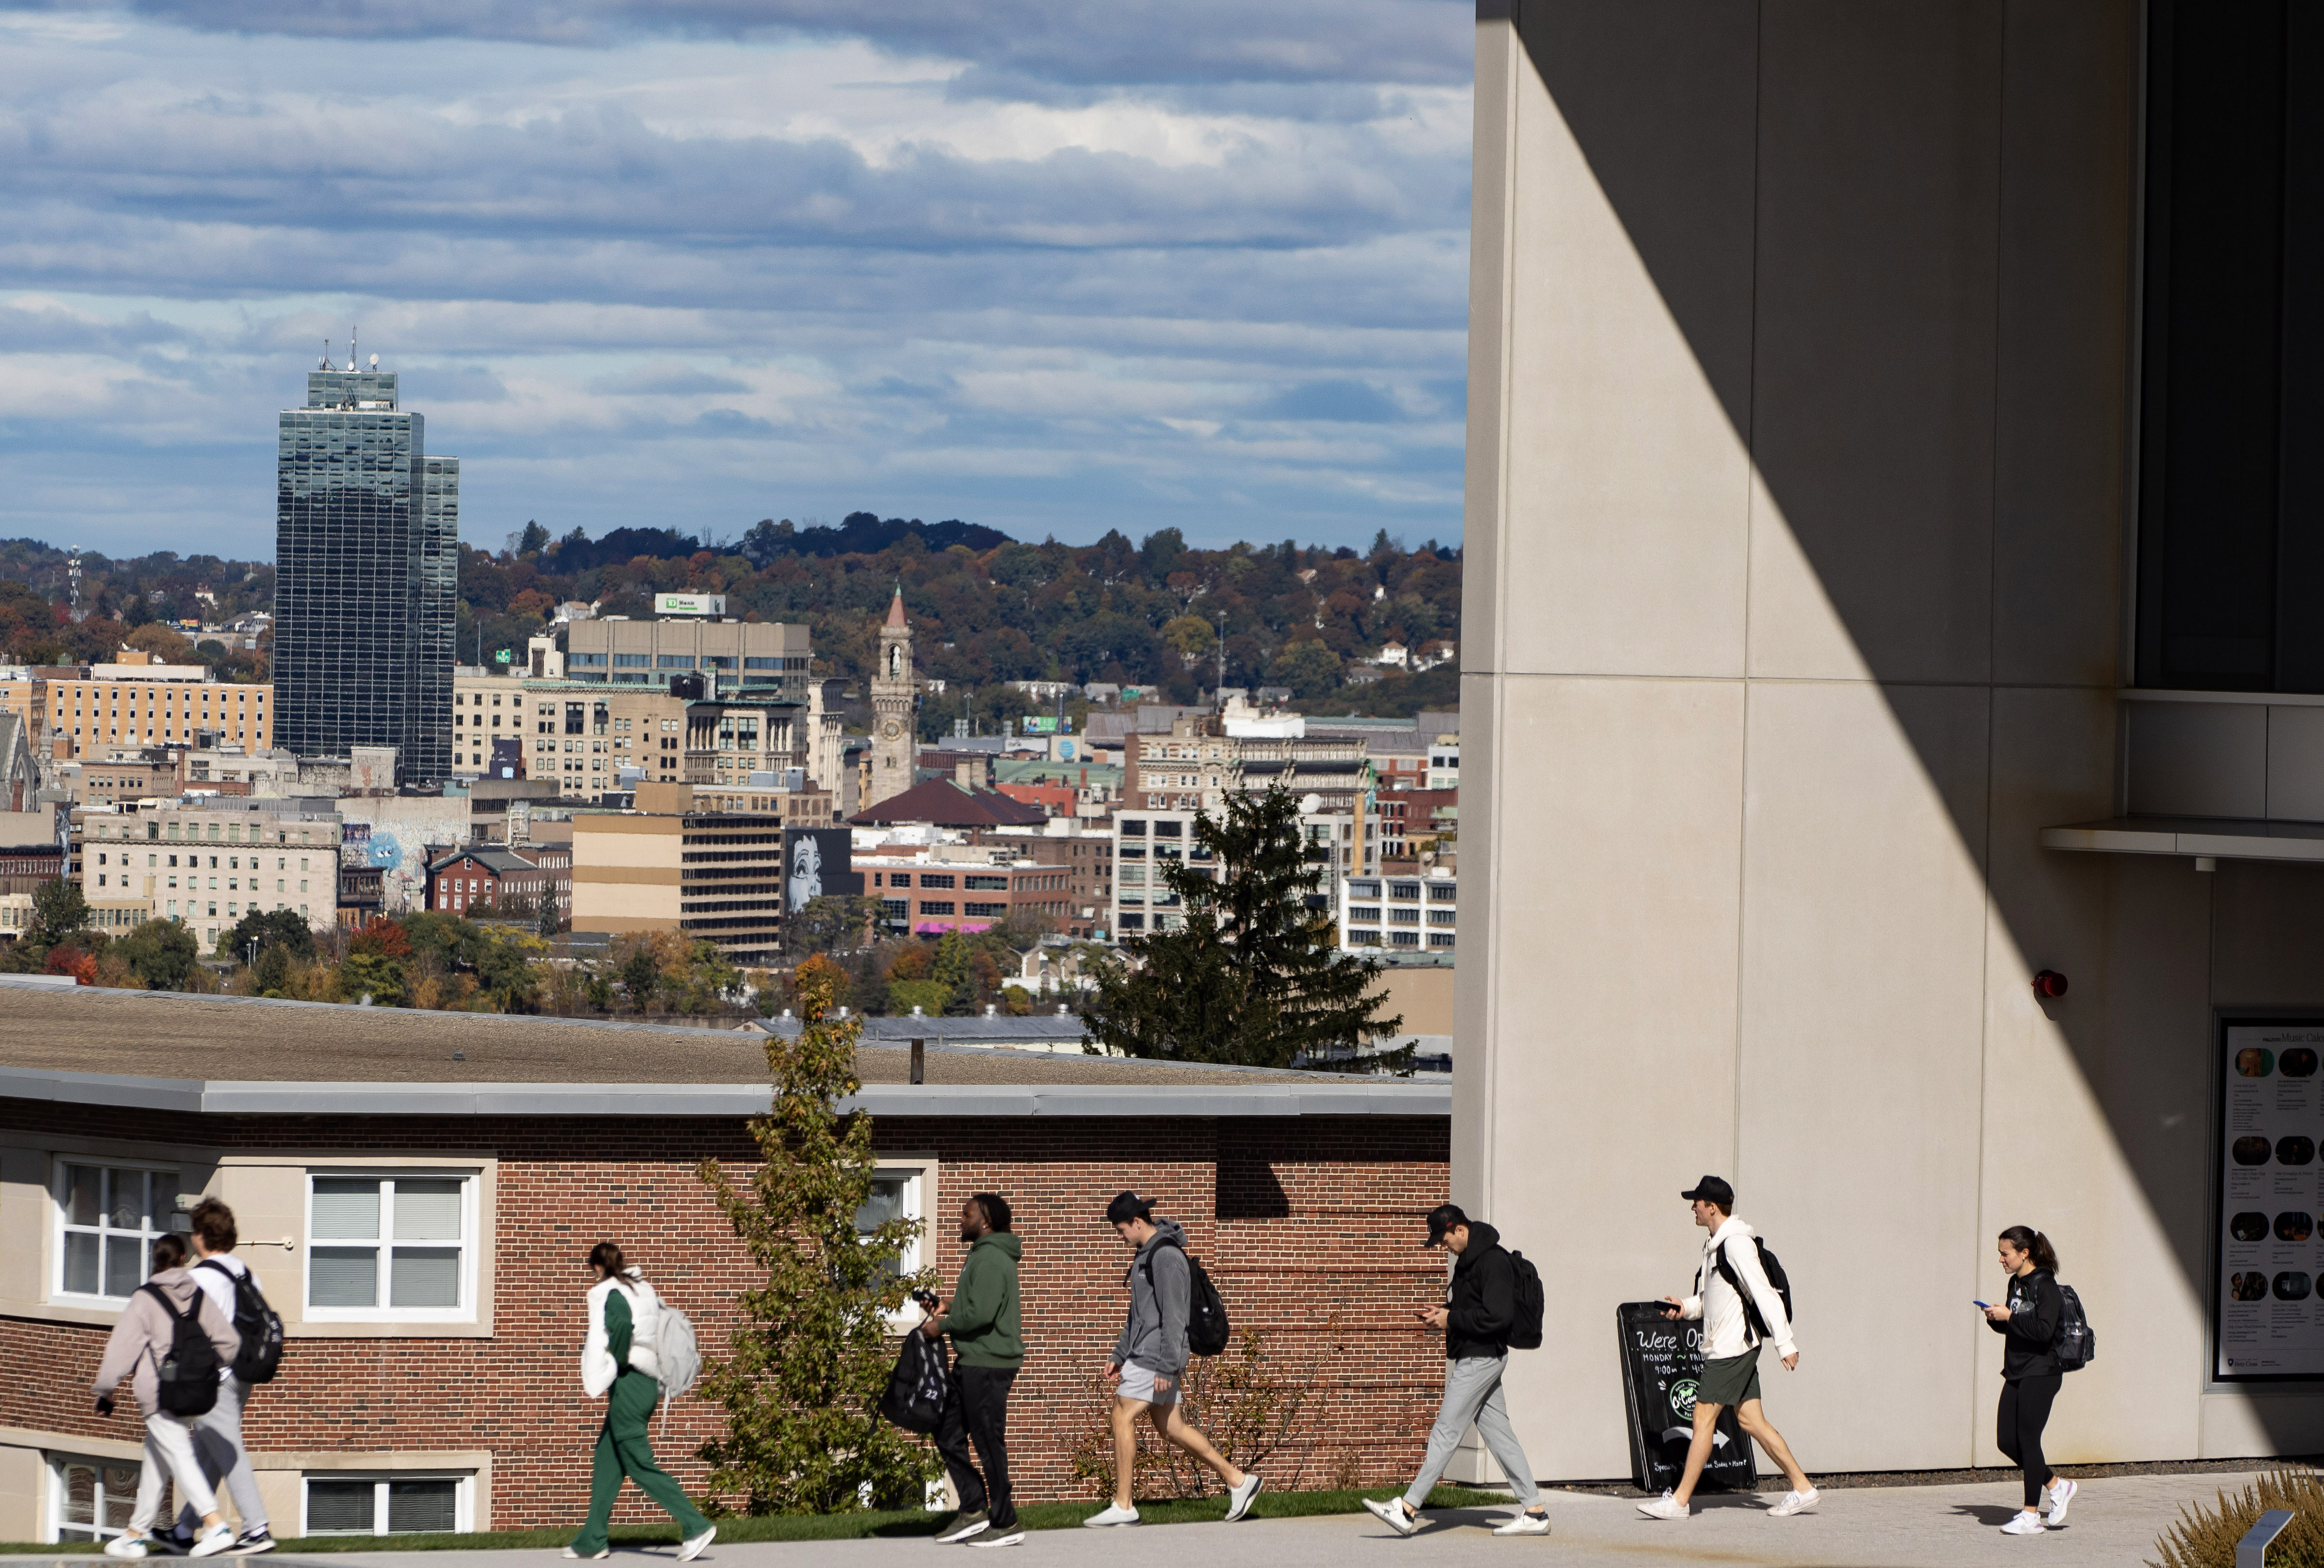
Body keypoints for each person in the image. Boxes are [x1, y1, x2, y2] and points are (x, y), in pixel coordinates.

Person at [1362, 1204, 1549, 1537]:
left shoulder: (1492, 1261)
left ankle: (1406, 1509)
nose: (1443, 1247)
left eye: (1444, 1240)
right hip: (1477, 1357)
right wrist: (1444, 1312)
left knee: (1446, 1432)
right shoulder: (1468, 1262)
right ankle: (1535, 1513)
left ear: (1460, 1230)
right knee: (1500, 1436)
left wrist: (1452, 1319)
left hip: (1480, 1359)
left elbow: (1499, 1316)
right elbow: (1473, 1308)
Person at [1639, 1176, 1818, 1521]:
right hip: (1730, 1344)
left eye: (1697, 1202)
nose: (1693, 1207)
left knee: (1702, 1418)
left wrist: (1785, 1343)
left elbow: (1763, 1292)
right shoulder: (1714, 1246)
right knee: (1751, 1421)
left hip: (1731, 1348)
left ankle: (1679, 1502)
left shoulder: (1735, 1244)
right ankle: (1803, 1488)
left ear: (1712, 1207)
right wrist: (1685, 1308)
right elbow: (1713, 1301)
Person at [1083, 1192, 1262, 1528]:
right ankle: (1239, 1481)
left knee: (1121, 1415)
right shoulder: (1145, 1254)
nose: (1120, 1237)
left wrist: (1167, 1365)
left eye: (1121, 1230)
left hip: (1154, 1356)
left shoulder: (1165, 1257)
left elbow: (1175, 1317)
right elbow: (1137, 1315)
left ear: (1137, 1222)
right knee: (1172, 1428)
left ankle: (1124, 1505)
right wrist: (1119, 1354)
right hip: (1145, 1353)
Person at [91, 1233, 242, 1559]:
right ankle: (134, 1535)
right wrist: (205, 1369)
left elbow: (121, 1350)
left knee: (179, 1455)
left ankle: (216, 1526)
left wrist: (106, 1390)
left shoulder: (145, 1298)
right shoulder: (199, 1295)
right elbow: (230, 1344)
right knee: (157, 1462)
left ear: (155, 1260)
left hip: (159, 1393)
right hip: (194, 1393)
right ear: (183, 1258)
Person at [566, 1243, 717, 1563]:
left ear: (597, 1267)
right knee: (607, 1460)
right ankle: (592, 1541)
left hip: (629, 1382)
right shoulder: (641, 1288)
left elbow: (621, 1325)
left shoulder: (611, 1292)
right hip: (646, 1382)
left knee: (638, 1463)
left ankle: (696, 1526)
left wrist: (619, 1362)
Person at [164, 1200, 274, 1556]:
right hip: (242, 1375)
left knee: (227, 1451)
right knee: (209, 1451)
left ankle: (257, 1528)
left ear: (201, 1236)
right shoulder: (245, 1273)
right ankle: (184, 1530)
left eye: (194, 1231)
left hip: (213, 1377)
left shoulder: (199, 1278)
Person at [926, 1193, 1025, 1549]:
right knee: (947, 1431)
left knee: (987, 1443)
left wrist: (941, 1326)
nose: (961, 1219)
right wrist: (948, 1306)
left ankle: (1006, 1522)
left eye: (966, 1215)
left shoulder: (991, 1257)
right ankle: (973, 1510)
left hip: (989, 1364)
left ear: (985, 1221)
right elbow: (978, 1305)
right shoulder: (982, 1255)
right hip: (972, 1362)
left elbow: (981, 1315)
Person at [1983, 1226, 2075, 1535]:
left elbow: (2044, 1332)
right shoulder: (2016, 1283)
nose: (2001, 1259)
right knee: (2006, 1441)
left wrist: (2010, 1318)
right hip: (2017, 1370)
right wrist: (1997, 1319)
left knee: (2028, 1438)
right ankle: (2056, 1485)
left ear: (2025, 1253)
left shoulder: (2045, 1285)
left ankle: (2031, 1516)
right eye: (2000, 1253)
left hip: (2042, 1372)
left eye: (2005, 1253)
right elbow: (2018, 1327)